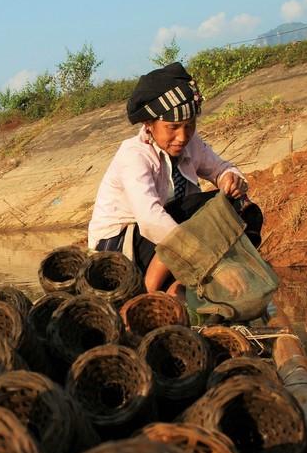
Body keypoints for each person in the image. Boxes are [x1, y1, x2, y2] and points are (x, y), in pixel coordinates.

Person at [87, 62, 262, 297]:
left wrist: (231, 179)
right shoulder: (134, 155)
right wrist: (208, 261)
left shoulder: (192, 143)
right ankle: (148, 293)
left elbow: (220, 168)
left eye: (189, 126)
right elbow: (150, 219)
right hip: (122, 246)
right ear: (149, 125)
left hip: (168, 239)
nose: (182, 136)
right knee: (196, 215)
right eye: (173, 127)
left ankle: (176, 288)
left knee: (238, 205)